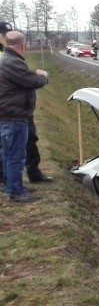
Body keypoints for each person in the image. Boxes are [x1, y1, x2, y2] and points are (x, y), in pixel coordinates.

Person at [0, 22, 52, 185]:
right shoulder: (8, 56)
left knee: (29, 139)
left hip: (18, 108)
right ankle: (8, 183)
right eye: (3, 33)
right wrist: (40, 77)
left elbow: (19, 75)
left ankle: (32, 173)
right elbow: (22, 77)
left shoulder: (8, 54)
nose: (4, 36)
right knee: (10, 150)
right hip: (10, 109)